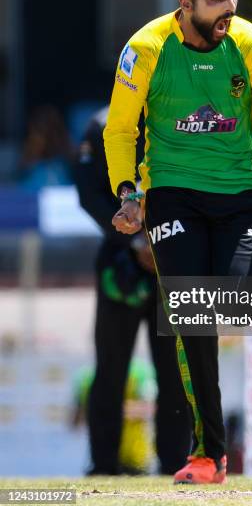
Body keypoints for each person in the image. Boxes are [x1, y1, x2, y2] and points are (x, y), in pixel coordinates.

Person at [103, 0, 252, 484]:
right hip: (171, 192)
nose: (229, 6)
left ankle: (246, 281)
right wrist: (128, 194)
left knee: (233, 308)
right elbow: (119, 130)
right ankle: (207, 456)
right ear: (185, 3)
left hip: (239, 192)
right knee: (192, 318)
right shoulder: (146, 48)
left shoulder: (250, 44)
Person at [74, 107, 191, 475]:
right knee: (110, 370)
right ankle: (103, 466)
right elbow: (88, 195)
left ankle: (176, 463)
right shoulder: (100, 125)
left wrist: (166, 241)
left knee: (175, 371)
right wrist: (134, 240)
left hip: (173, 264)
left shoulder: (179, 115)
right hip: (120, 263)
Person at [70, 359, 157, 474]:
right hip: (107, 456)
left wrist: (110, 411)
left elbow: (154, 408)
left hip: (137, 458)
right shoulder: (84, 378)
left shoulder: (140, 373)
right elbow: (76, 420)